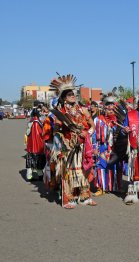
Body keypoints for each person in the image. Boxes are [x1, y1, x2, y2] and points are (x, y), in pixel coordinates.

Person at [50, 74, 96, 209]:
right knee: (68, 172)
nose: (73, 95)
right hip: (68, 148)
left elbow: (92, 126)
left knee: (83, 171)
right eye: (69, 94)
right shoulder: (61, 112)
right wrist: (63, 142)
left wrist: (87, 133)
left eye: (73, 93)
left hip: (82, 146)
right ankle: (68, 199)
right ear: (64, 98)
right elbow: (56, 131)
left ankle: (85, 197)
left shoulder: (83, 110)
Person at [25, 106, 46, 180]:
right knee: (38, 160)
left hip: (31, 145)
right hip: (37, 144)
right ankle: (39, 175)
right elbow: (39, 133)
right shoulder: (37, 122)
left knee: (31, 160)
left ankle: (30, 175)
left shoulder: (31, 121)